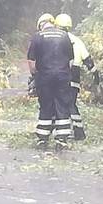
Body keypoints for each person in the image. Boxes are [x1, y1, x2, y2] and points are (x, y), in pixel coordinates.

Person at [27, 13, 74, 150]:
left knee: (46, 105)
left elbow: (31, 61)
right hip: (62, 77)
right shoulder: (64, 36)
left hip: (44, 77)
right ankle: (62, 139)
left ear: (41, 25)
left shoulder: (37, 37)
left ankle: (43, 138)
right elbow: (71, 60)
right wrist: (64, 73)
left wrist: (34, 76)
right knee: (62, 105)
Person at [55, 14, 99, 140]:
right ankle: (78, 130)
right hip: (74, 75)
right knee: (71, 103)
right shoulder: (77, 40)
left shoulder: (56, 40)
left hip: (60, 73)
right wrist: (95, 74)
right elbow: (87, 59)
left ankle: (63, 131)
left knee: (60, 103)